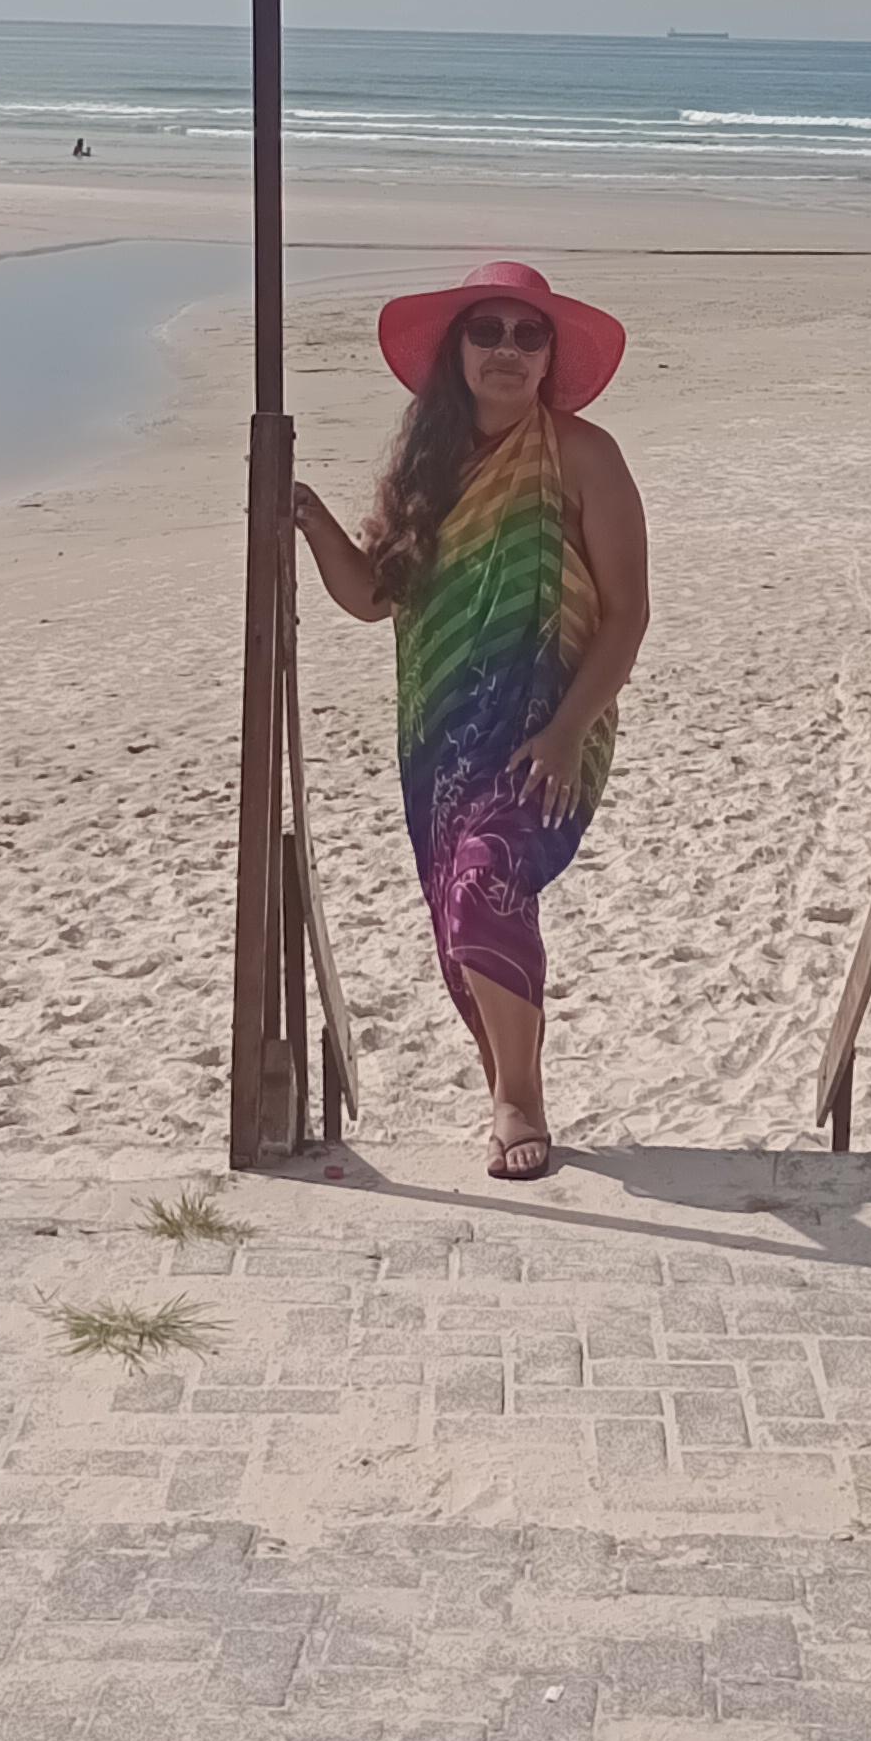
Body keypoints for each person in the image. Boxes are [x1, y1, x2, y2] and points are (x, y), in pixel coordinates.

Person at [294, 260, 647, 1183]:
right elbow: (375, 595)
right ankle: (506, 1077)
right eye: (488, 331)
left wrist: (570, 729)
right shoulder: (428, 465)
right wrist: (307, 516)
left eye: (529, 336)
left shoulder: (585, 456)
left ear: (548, 359)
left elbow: (626, 614)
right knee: (460, 919)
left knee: (486, 880)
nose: (507, 350)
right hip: (444, 737)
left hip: (554, 724)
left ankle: (517, 1099)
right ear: (457, 349)